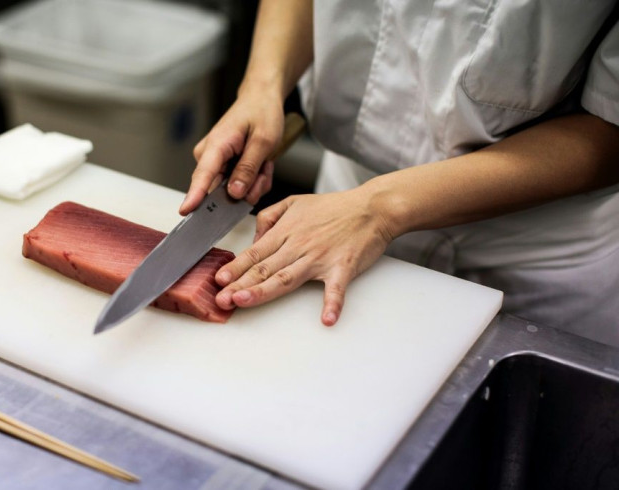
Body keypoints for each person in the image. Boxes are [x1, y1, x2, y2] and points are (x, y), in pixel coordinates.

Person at [179, 0, 619, 347]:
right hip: (333, 212)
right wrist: (262, 86)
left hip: (534, 260)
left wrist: (380, 208)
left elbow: (610, 129)